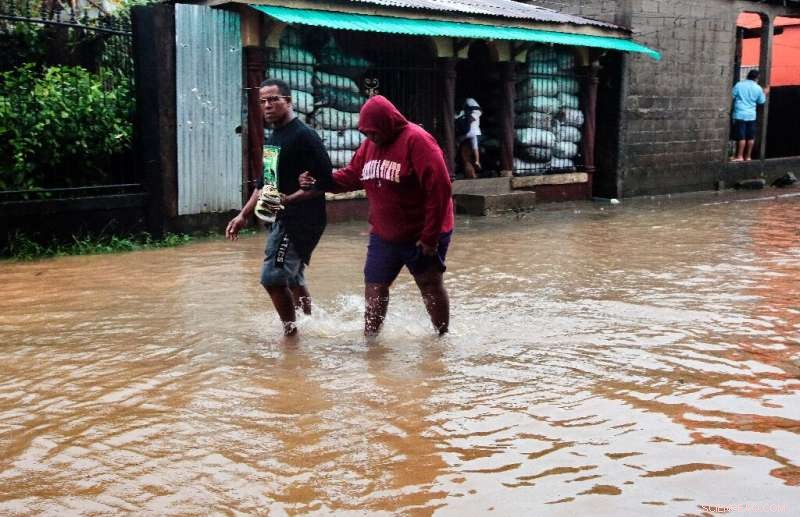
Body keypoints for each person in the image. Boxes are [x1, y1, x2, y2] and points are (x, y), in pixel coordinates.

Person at [300, 95, 454, 337]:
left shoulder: (418, 141)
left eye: (375, 133)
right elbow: (352, 175)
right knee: (375, 286)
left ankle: (442, 338)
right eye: (367, 134)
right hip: (385, 234)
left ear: (389, 124)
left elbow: (440, 189)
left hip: (421, 234)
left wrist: (430, 236)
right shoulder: (369, 145)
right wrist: (320, 182)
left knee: (430, 285)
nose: (371, 138)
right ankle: (371, 341)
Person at [226, 79, 333, 336]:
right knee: (293, 279)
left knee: (272, 278)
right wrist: (243, 215)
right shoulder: (274, 138)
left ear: (289, 101)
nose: (267, 105)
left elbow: (325, 182)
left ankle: (291, 335)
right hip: (282, 218)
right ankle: (311, 325)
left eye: (273, 99)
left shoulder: (304, 135)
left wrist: (289, 199)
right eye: (262, 101)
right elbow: (266, 185)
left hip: (300, 221)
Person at [731, 69, 768, 162]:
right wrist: (765, 93)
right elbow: (761, 101)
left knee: (741, 136)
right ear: (757, 78)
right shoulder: (758, 88)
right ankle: (748, 157)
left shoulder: (739, 85)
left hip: (740, 114)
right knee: (750, 137)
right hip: (751, 115)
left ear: (748, 75)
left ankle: (739, 156)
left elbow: (732, 96)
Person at [455, 98, 482, 178]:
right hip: (475, 134)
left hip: (464, 136)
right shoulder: (476, 113)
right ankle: (477, 161)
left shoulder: (462, 113)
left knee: (466, 158)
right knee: (473, 151)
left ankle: (472, 170)